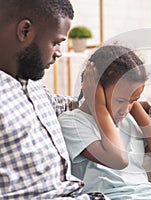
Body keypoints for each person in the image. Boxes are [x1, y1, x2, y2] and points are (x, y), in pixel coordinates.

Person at [0, 0, 93, 199]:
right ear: (25, 31)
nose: (59, 52)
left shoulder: (30, 85)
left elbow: (60, 103)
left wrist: (101, 97)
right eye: (56, 42)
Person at [58, 45, 151, 200]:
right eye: (120, 100)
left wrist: (136, 107)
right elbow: (118, 160)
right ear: (94, 88)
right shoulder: (72, 123)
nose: (125, 110)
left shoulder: (129, 120)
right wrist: (98, 106)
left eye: (133, 101)